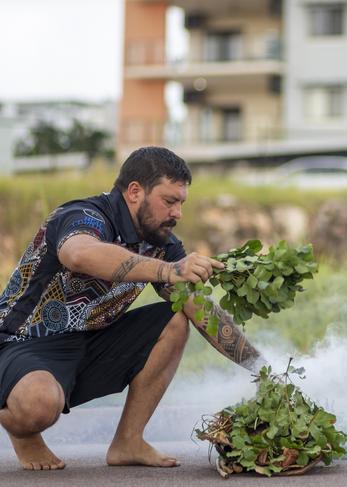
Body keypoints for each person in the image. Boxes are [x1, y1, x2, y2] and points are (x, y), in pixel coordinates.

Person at [0, 146, 266, 470]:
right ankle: (23, 430)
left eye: (182, 202)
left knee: (175, 316)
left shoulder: (162, 243)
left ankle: (128, 440)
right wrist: (169, 270)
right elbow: (80, 254)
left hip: (90, 345)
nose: (178, 213)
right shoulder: (83, 216)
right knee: (39, 406)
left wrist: (264, 370)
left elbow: (201, 310)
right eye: (169, 201)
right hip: (24, 344)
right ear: (135, 191)